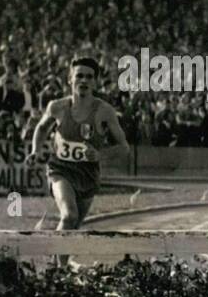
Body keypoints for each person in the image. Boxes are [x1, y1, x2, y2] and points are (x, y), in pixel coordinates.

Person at [26, 57, 130, 230]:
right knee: (69, 216)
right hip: (60, 170)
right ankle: (52, 251)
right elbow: (42, 127)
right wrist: (35, 150)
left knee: (73, 228)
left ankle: (56, 257)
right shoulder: (57, 107)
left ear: (95, 83)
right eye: (79, 75)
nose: (84, 80)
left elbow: (124, 147)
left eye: (89, 77)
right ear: (70, 79)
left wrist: (100, 155)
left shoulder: (105, 111)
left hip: (88, 174)